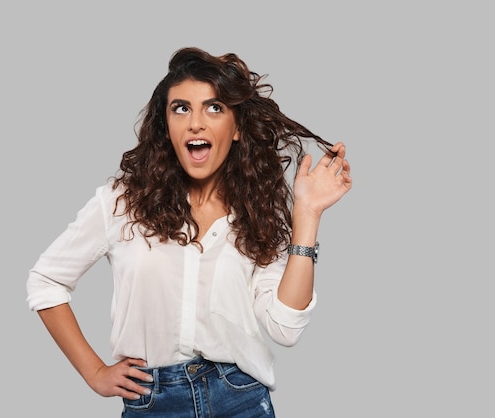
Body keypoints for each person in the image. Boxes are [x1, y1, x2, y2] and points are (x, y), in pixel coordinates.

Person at [26, 46, 352, 417]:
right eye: (181, 108)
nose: (196, 122)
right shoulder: (122, 202)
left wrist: (306, 216)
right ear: (167, 127)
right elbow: (46, 281)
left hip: (240, 399)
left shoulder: (256, 214)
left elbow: (285, 327)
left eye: (214, 108)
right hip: (152, 402)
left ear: (237, 129)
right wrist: (94, 371)